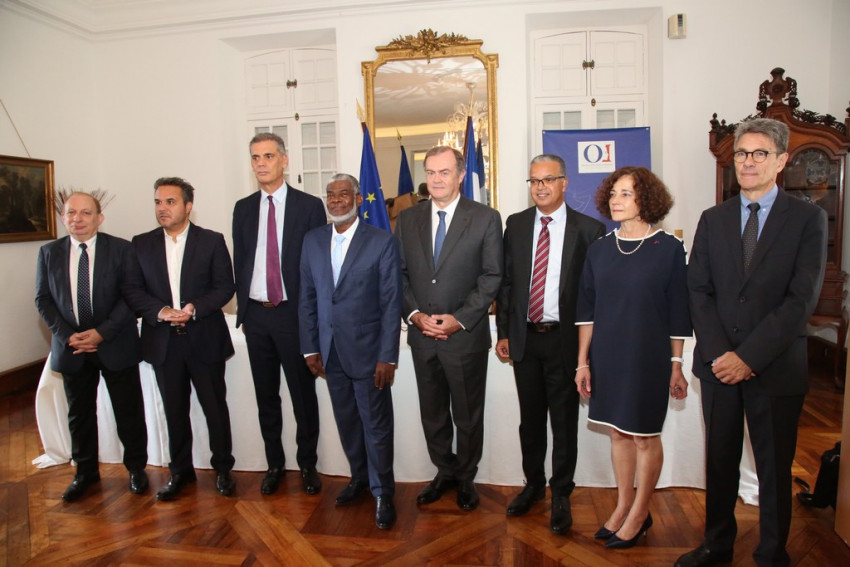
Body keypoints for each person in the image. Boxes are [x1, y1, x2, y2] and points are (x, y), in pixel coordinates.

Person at [679, 118, 827, 567]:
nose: (748, 161)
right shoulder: (713, 218)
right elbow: (698, 291)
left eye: (759, 153)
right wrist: (725, 354)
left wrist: (748, 358)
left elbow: (800, 301)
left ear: (781, 161)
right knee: (720, 462)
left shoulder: (808, 219)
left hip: (775, 366)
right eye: (742, 153)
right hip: (718, 364)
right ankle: (717, 544)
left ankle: (771, 552)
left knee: (773, 468)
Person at [574, 166, 691, 549]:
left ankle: (640, 512)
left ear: (647, 200)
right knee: (618, 432)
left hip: (649, 358)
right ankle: (623, 506)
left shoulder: (669, 249)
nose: (616, 200)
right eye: (613, 193)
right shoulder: (599, 249)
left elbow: (679, 313)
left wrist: (677, 365)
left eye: (626, 193)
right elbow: (586, 311)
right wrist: (582, 361)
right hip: (607, 355)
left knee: (643, 436)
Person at [495, 154, 605, 534]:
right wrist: (504, 333)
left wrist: (587, 352)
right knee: (530, 422)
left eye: (547, 180)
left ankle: (561, 494)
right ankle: (533, 486)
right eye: (534, 181)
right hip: (526, 340)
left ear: (564, 183)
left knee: (563, 423)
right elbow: (507, 284)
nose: (540, 187)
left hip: (564, 342)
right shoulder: (517, 224)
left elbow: (594, 295)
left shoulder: (589, 230)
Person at [395, 145, 503, 511]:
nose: (436, 179)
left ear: (460, 175)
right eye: (430, 172)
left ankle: (466, 477)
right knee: (433, 412)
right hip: (422, 337)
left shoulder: (486, 218)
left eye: (444, 172)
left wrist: (459, 319)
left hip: (465, 337)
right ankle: (444, 470)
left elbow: (492, 277)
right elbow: (400, 275)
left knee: (468, 415)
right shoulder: (408, 220)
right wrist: (414, 315)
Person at [122, 177, 236, 501]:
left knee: (215, 409)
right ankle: (180, 472)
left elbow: (225, 287)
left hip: (203, 339)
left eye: (170, 202)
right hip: (163, 343)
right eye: (158, 202)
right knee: (174, 411)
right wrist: (160, 311)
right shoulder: (140, 244)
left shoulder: (211, 241)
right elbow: (132, 291)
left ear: (188, 206)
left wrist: (194, 308)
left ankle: (223, 469)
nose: (162, 208)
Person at [299, 173, 402, 529]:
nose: (337, 200)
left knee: (376, 425)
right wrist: (310, 347)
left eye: (344, 194)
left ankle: (382, 491)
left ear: (358, 199)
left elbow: (391, 303)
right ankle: (359, 479)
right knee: (347, 423)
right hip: (330, 354)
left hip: (370, 354)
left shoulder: (381, 242)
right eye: (331, 195)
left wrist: (388, 356)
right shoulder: (312, 241)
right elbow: (308, 299)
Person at [35, 191, 148, 502]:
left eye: (86, 213)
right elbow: (43, 299)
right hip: (71, 347)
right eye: (72, 213)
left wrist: (101, 333)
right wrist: (66, 334)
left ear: (99, 218)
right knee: (79, 414)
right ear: (63, 217)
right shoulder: (48, 253)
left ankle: (136, 468)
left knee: (128, 411)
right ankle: (84, 473)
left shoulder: (123, 250)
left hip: (114, 344)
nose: (78, 219)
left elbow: (130, 298)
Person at [232, 132, 326, 495]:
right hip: (256, 317)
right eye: (255, 157)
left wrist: (314, 319)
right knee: (266, 396)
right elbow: (242, 259)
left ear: (284, 161)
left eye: (268, 156)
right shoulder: (243, 208)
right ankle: (274, 464)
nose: (261, 163)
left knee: (303, 395)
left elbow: (317, 266)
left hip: (294, 316)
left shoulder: (309, 206)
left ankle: (307, 465)